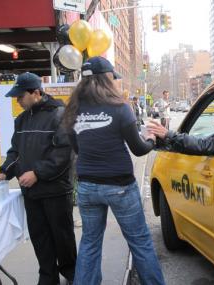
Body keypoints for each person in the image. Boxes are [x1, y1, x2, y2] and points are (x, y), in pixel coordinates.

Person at [62, 56, 165, 285]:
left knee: (89, 243)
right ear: (106, 78)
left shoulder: (73, 109)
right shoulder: (120, 108)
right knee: (139, 241)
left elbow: (77, 148)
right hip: (119, 186)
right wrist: (150, 139)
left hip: (87, 186)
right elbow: (138, 150)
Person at [0, 72, 76, 285]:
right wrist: (6, 170)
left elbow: (63, 154)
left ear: (36, 93)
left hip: (56, 191)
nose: (18, 101)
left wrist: (37, 174)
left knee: (63, 238)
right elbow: (16, 151)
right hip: (32, 194)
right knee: (40, 238)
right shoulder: (22, 120)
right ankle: (48, 278)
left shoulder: (60, 114)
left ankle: (71, 274)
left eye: (20, 96)